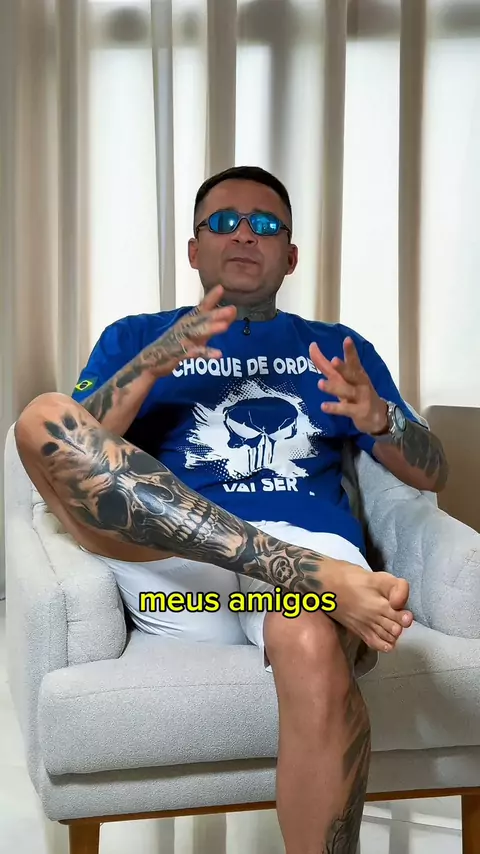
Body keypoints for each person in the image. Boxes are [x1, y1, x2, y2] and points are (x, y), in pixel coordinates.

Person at [14, 165, 448, 854]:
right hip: (175, 579)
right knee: (41, 416)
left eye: (265, 224)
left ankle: (304, 577)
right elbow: (72, 448)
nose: (245, 234)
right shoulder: (136, 335)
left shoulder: (337, 347)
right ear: (194, 249)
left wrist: (383, 419)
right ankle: (307, 573)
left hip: (296, 572)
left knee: (308, 632)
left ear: (291, 256)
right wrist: (149, 367)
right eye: (224, 222)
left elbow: (434, 472)